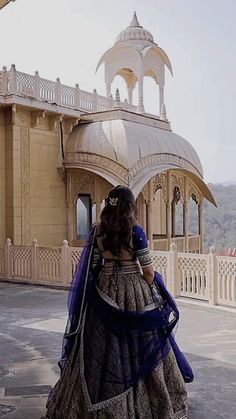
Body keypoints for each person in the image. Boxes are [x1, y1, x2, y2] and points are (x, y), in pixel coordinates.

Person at [46, 185, 193, 419]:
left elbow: (93, 267)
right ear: (129, 207)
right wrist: (152, 287)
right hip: (133, 290)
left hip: (103, 289)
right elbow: (147, 271)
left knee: (102, 345)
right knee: (139, 345)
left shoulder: (98, 232)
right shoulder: (135, 231)